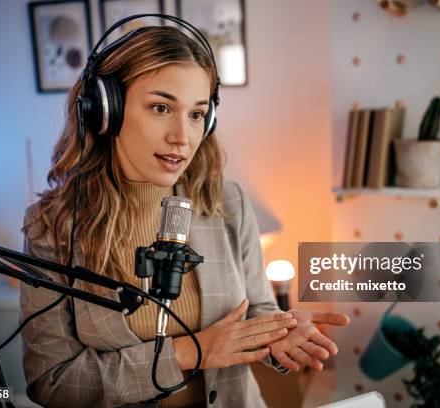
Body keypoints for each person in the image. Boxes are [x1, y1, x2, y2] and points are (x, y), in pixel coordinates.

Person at [20, 19, 349, 408]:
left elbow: (256, 311)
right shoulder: (53, 229)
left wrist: (279, 336)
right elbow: (52, 383)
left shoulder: (228, 203)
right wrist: (191, 352)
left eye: (196, 114)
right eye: (161, 108)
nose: (182, 136)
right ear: (106, 110)